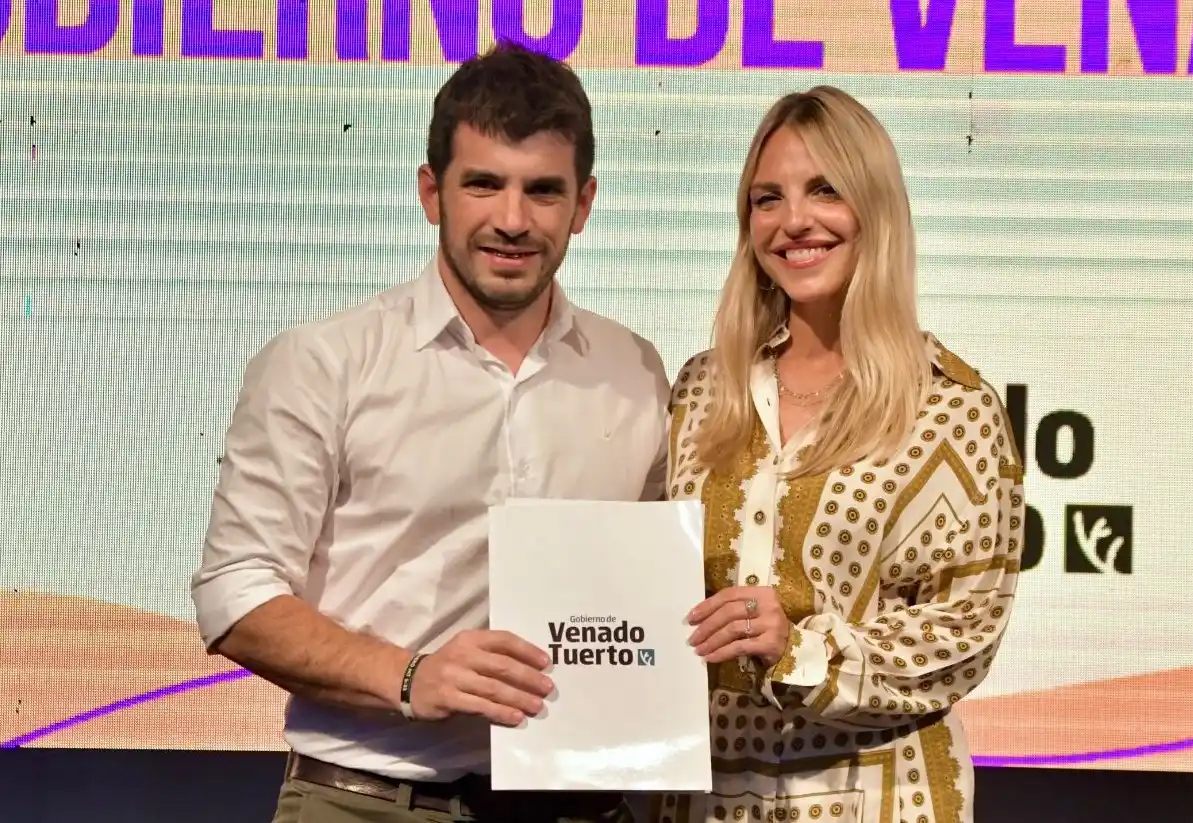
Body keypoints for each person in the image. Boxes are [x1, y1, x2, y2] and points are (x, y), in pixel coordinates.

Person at [190, 42, 668, 823]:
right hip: (367, 799)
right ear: (430, 192)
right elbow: (237, 593)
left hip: (578, 801)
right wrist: (410, 675)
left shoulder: (634, 370)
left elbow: (650, 591)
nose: (511, 220)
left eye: (542, 191)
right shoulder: (324, 362)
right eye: (483, 183)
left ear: (582, 205)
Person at [649, 87, 1026, 823]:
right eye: (767, 198)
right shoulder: (703, 388)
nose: (793, 221)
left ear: (874, 209)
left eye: (825, 189)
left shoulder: (951, 407)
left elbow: (965, 630)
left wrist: (799, 650)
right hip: (704, 795)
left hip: (882, 796)